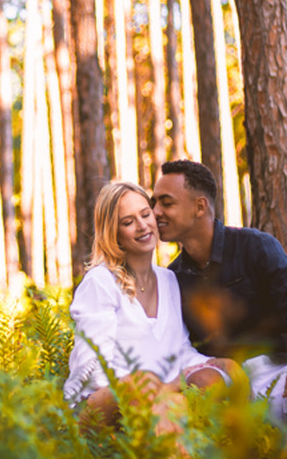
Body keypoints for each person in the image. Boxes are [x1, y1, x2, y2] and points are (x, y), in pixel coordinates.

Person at [151, 159, 287, 421]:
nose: (155, 212)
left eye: (166, 203)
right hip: (222, 385)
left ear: (200, 206)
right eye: (154, 203)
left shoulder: (256, 247)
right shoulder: (173, 277)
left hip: (279, 370)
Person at [64, 181, 240, 434]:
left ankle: (185, 449)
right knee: (143, 386)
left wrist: (210, 364)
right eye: (128, 222)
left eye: (145, 214)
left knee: (218, 373)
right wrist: (161, 388)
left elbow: (179, 350)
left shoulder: (169, 280)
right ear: (113, 234)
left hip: (159, 397)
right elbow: (92, 368)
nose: (142, 225)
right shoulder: (100, 282)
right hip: (101, 403)